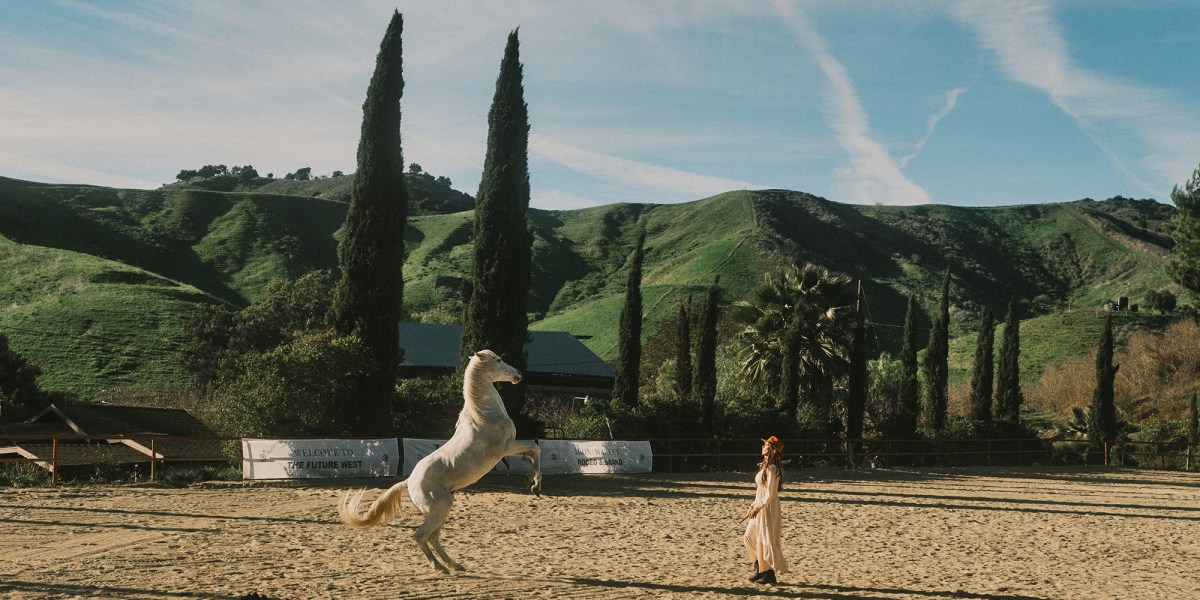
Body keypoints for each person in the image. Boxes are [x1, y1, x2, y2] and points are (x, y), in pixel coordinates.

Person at [743, 435, 788, 584]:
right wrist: (753, 504)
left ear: (772, 450)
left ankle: (768, 573)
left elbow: (770, 494)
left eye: (766, 445)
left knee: (764, 539)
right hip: (760, 505)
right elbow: (760, 491)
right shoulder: (764, 466)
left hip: (768, 508)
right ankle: (760, 568)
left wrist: (758, 506)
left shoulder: (773, 469)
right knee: (749, 537)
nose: (762, 447)